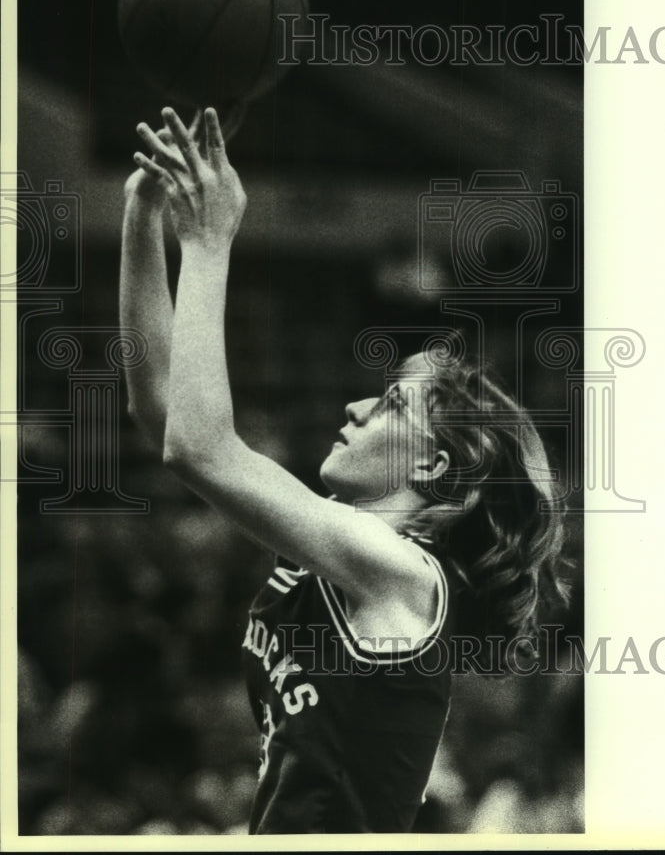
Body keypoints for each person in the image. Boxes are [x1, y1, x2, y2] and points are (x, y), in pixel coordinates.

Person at [120, 106, 571, 834]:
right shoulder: (336, 553)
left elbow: (198, 447)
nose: (359, 406)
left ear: (435, 464)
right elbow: (162, 414)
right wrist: (142, 218)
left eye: (393, 403)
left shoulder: (403, 574)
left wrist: (208, 240)